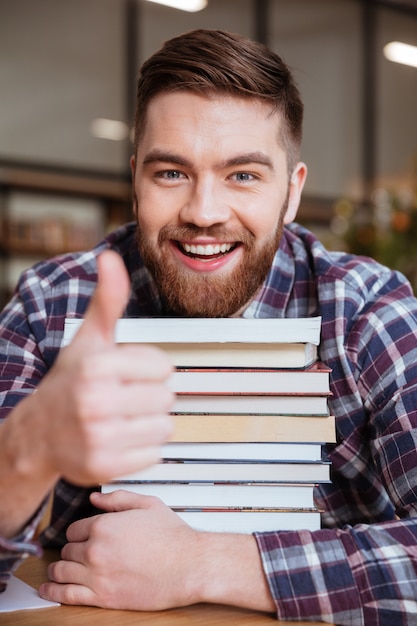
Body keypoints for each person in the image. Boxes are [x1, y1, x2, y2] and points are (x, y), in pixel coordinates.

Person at [1, 28, 417, 626]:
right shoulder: (53, 304)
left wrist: (204, 564)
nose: (203, 212)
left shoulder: (366, 310)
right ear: (136, 179)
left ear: (292, 193)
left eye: (243, 175)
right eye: (171, 173)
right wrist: (25, 453)